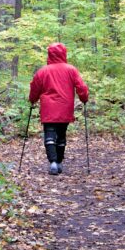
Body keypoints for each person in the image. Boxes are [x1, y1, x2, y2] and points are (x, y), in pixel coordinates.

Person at [28, 43, 89, 175]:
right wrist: (84, 98)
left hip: (48, 108)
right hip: (65, 107)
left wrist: (32, 100)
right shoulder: (71, 69)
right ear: (64, 53)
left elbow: (35, 88)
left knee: (49, 135)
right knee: (61, 135)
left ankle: (53, 162)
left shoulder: (43, 71)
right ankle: (59, 162)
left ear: (49, 54)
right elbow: (81, 87)